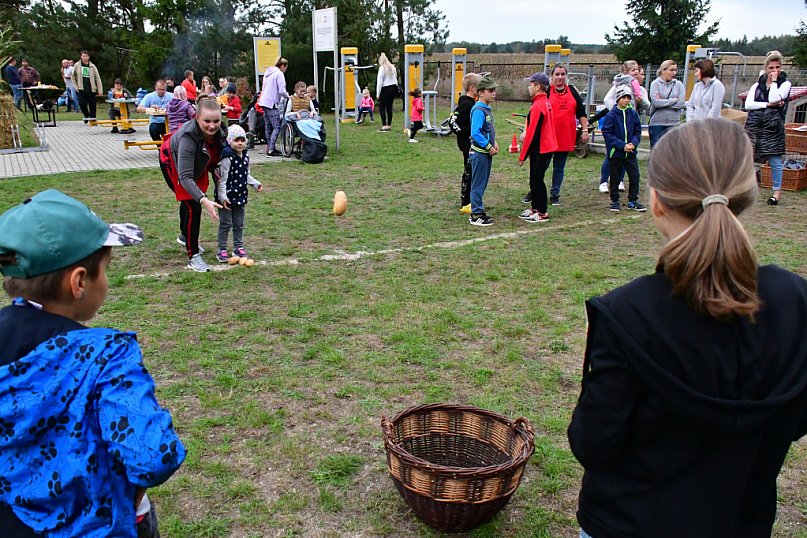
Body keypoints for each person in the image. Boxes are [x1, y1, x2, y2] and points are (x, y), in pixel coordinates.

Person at [568, 118, 807, 538]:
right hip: (741, 521)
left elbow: (594, 444)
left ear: (656, 200)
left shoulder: (626, 312)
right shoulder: (795, 299)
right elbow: (793, 419)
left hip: (628, 523)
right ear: (747, 193)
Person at [0, 189, 186, 538]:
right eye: (106, 269)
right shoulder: (106, 356)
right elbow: (154, 455)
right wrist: (133, 499)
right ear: (80, 282)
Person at [158, 97, 226, 272]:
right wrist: (204, 200)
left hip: (198, 162)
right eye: (207, 121)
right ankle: (193, 255)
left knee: (191, 202)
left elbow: (217, 163)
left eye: (216, 121)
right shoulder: (188, 137)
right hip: (172, 160)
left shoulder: (221, 133)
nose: (212, 126)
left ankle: (185, 236)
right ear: (197, 118)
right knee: (192, 205)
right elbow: (186, 177)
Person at [745, 51, 791, 206]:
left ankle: (776, 192)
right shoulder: (756, 85)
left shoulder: (785, 84)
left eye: (777, 67)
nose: (774, 70)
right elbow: (749, 104)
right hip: (754, 127)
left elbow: (775, 98)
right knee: (749, 158)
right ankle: (746, 189)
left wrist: (774, 83)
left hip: (772, 128)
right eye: (771, 67)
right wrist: (767, 105)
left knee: (775, 160)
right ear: (765, 68)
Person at [214, 125, 264, 263]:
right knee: (225, 224)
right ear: (230, 141)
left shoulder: (245, 157)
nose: (240, 143)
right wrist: (222, 197)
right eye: (237, 140)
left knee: (239, 223)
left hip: (240, 195)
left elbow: (246, 175)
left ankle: (238, 246)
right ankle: (221, 249)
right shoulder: (227, 158)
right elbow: (221, 180)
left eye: (243, 140)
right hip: (226, 198)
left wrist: (255, 183)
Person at [542, 63, 589, 206]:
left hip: (565, 137)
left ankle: (555, 194)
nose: (560, 77)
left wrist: (585, 130)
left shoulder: (573, 91)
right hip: (548, 137)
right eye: (557, 74)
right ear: (551, 76)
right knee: (541, 167)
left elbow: (581, 113)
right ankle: (535, 190)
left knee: (559, 167)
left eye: (563, 74)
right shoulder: (546, 92)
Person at [517, 72, 558, 223]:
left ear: (538, 86)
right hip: (543, 147)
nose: (529, 87)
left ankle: (542, 212)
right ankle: (535, 208)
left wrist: (523, 156)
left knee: (537, 180)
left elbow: (533, 134)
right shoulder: (542, 102)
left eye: (531, 84)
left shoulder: (539, 105)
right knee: (534, 179)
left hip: (542, 148)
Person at [602, 86, 645, 212]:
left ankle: (633, 200)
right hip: (616, 153)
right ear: (618, 99)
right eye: (624, 98)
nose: (626, 100)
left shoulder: (633, 114)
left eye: (628, 98)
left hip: (631, 152)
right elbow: (607, 133)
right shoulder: (611, 115)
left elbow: (637, 130)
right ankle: (615, 201)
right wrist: (622, 145)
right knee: (615, 177)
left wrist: (634, 144)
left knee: (634, 176)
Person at [448, 72, 481, 214]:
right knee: (469, 172)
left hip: (473, 144)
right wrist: (466, 134)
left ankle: (472, 200)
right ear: (472, 88)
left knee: (473, 172)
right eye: (480, 87)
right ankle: (465, 202)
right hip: (467, 145)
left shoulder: (473, 103)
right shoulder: (466, 104)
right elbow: (452, 122)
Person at [468, 75, 499, 227]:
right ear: (481, 92)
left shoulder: (486, 108)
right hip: (479, 153)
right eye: (490, 90)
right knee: (478, 184)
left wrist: (495, 142)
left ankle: (478, 210)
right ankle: (476, 214)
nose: (493, 93)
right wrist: (489, 147)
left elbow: (488, 129)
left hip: (485, 152)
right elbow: (475, 133)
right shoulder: (479, 110)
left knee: (482, 182)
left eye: (494, 90)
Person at [648, 60, 685, 147]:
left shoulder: (679, 84)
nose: (674, 73)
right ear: (663, 70)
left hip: (674, 123)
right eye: (671, 70)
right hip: (657, 123)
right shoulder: (655, 84)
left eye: (675, 70)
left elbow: (682, 103)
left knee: (672, 151)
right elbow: (656, 102)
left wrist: (663, 101)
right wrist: (673, 100)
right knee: (657, 149)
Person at [258, 57, 289, 156]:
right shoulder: (279, 74)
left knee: (268, 126)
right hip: (272, 103)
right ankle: (271, 149)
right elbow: (281, 90)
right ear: (283, 66)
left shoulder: (268, 73)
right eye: (285, 67)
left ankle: (269, 147)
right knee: (277, 126)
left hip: (264, 102)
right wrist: (287, 96)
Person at [72, 50, 103, 122]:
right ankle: (86, 115)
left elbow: (97, 78)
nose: (85, 57)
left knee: (92, 105)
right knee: (82, 103)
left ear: (88, 57)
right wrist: (76, 87)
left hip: (91, 89)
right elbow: (73, 77)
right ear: (81, 57)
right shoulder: (77, 65)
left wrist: (100, 90)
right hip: (81, 88)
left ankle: (93, 120)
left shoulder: (92, 66)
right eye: (83, 56)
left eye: (86, 56)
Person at [376, 52, 398, 132]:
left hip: (385, 88)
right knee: (389, 107)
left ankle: (384, 125)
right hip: (393, 88)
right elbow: (396, 78)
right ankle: (389, 124)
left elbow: (379, 82)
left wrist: (378, 94)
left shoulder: (382, 68)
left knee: (381, 107)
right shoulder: (392, 67)